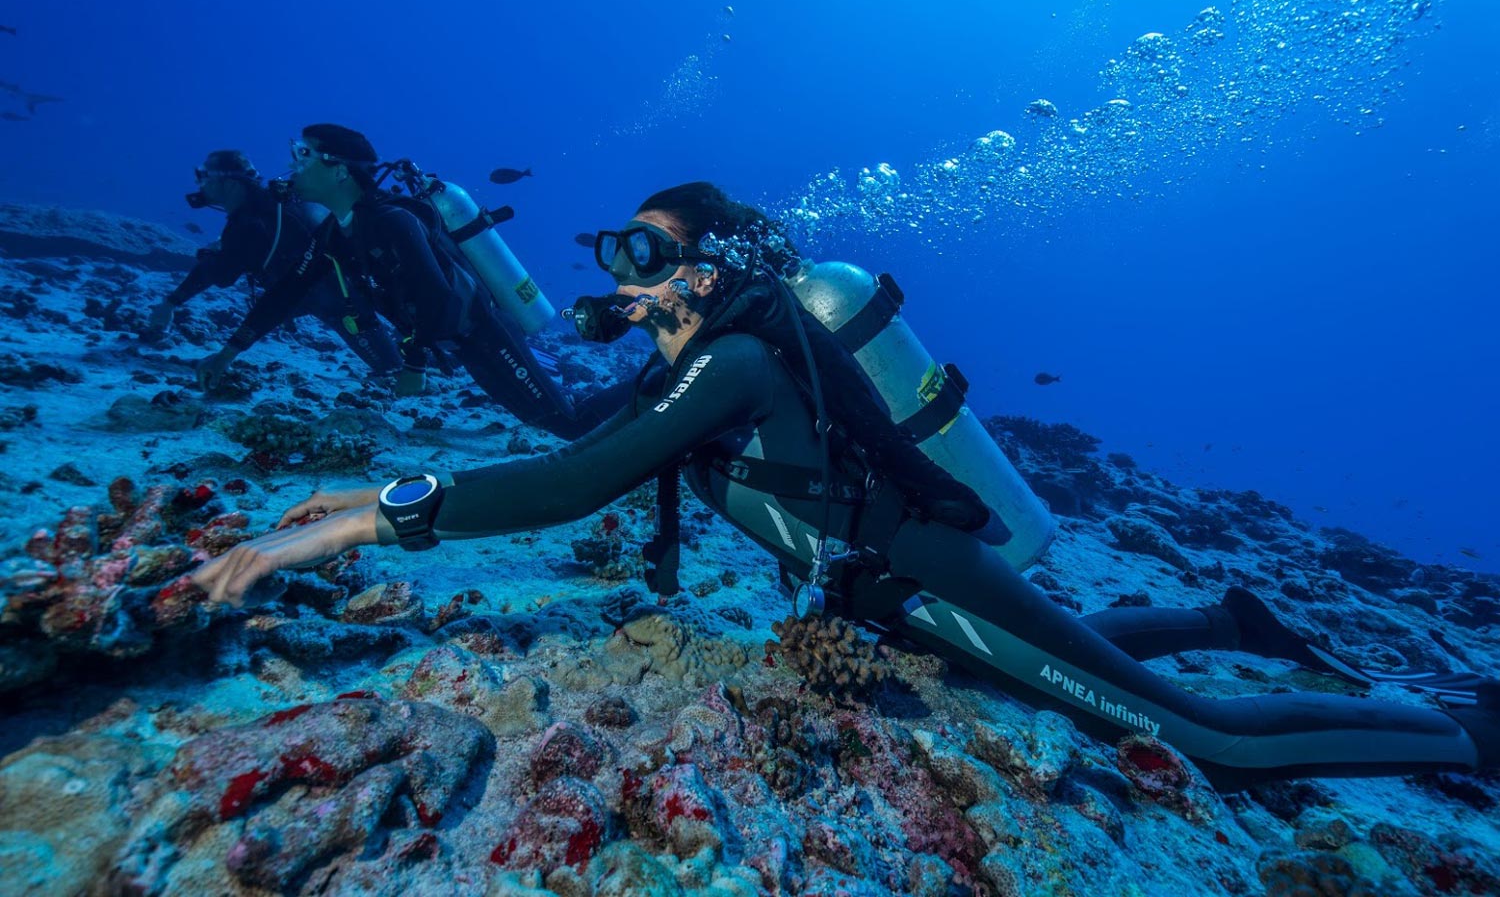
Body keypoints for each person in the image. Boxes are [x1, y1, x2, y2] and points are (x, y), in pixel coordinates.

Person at [191, 181, 1499, 788]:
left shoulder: (742, 362)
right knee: (1080, 654)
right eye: (617, 248)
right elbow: (558, 443)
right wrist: (384, 479)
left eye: (646, 250)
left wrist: (371, 518)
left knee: (1195, 738)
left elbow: (562, 490)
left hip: (918, 577)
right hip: (887, 601)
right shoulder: (685, 373)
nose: (623, 273)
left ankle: (1463, 727)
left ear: (713, 265)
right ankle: (1228, 616)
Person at [194, 125, 616, 439]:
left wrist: (414, 362)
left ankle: (666, 392)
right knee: (551, 419)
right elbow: (287, 290)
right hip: (461, 343)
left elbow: (438, 295)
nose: (292, 166)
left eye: (303, 155)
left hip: (485, 334)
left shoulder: (392, 221)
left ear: (339, 170)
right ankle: (657, 400)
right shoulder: (336, 233)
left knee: (569, 424)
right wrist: (229, 351)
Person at [152, 150, 402, 375]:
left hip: (336, 300)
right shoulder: (281, 204)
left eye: (205, 177)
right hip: (349, 286)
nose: (201, 185)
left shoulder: (249, 225)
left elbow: (221, 275)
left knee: (394, 372)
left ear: (228, 183)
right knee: (407, 350)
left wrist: (176, 299)